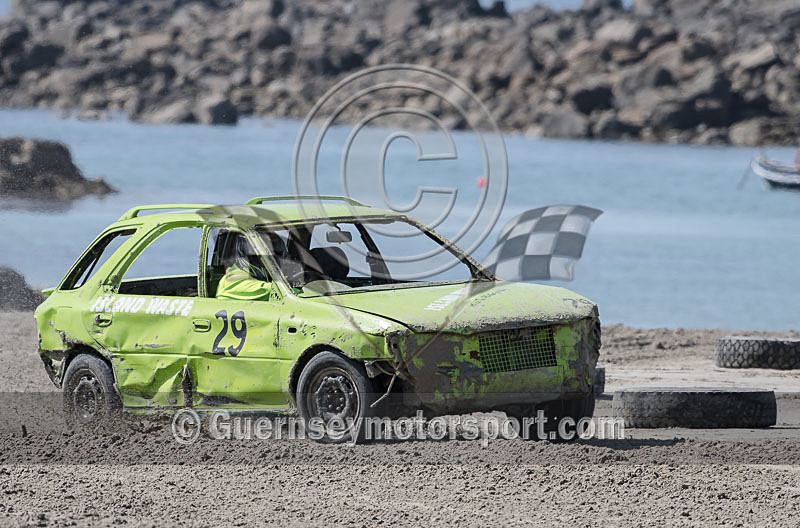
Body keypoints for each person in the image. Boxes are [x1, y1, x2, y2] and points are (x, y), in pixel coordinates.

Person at [216, 236, 272, 301]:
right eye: (267, 252)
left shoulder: (253, 276)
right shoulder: (232, 281)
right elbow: (278, 292)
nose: (273, 255)